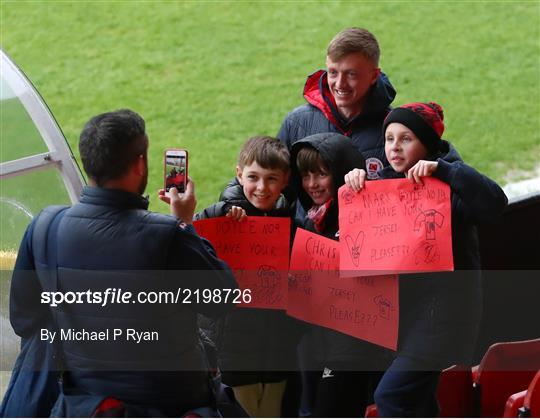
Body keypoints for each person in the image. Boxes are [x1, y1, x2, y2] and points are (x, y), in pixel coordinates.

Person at [8, 109, 237, 417]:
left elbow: (25, 321)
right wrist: (185, 224)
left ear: (89, 161)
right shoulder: (168, 236)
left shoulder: (45, 227)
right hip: (173, 405)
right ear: (140, 163)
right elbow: (222, 299)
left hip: (85, 407)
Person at [344, 102, 508, 416]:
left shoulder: (450, 183)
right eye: (389, 139)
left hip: (444, 319)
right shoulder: (391, 184)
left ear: (428, 144)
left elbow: (494, 203)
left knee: (391, 396)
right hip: (407, 319)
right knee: (418, 401)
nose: (394, 147)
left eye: (405, 139)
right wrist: (356, 184)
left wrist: (444, 170)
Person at [289, 132, 393, 417]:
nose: (312, 184)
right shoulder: (309, 220)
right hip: (319, 343)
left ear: (342, 172)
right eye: (305, 176)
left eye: (321, 174)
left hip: (355, 346)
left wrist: (366, 184)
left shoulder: (365, 209)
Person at [195, 136, 299, 417]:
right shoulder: (224, 218)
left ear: (285, 180)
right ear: (239, 174)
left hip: (278, 353)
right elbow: (192, 237)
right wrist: (219, 212)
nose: (262, 188)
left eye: (271, 179)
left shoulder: (291, 222)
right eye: (253, 177)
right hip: (235, 353)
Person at [278, 27, 396, 181]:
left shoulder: (394, 129)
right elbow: (265, 175)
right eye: (333, 72)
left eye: (351, 74)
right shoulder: (297, 123)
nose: (340, 84)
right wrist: (236, 199)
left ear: (374, 76)